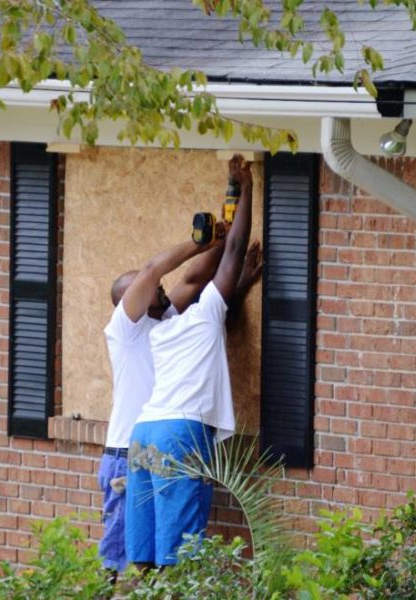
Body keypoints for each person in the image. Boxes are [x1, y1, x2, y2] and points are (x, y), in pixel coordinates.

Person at [125, 154, 254, 568]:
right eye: (161, 289)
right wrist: (246, 187)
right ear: (161, 300)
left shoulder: (159, 331)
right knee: (180, 553)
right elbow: (232, 250)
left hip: (144, 433)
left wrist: (227, 200)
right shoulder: (202, 316)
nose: (166, 288)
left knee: (145, 551)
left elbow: (198, 280)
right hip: (181, 432)